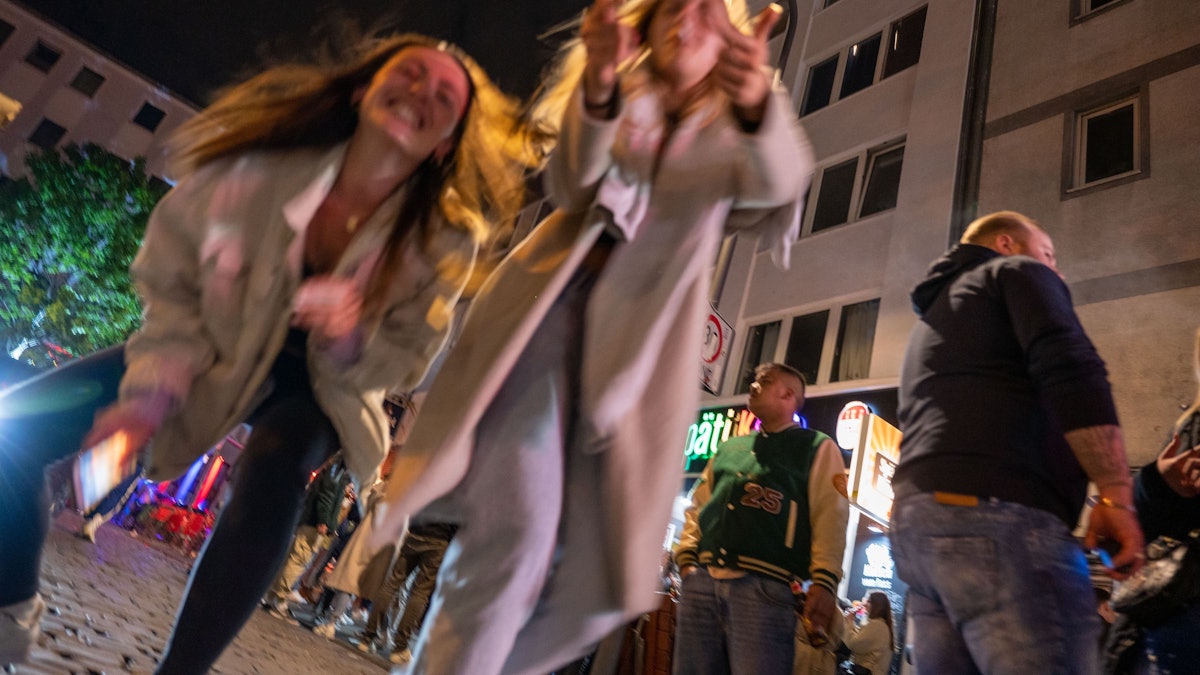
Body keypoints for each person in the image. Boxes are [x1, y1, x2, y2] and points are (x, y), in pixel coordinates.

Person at [0, 32, 535, 672]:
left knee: (277, 464)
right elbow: (175, 280)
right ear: (365, 89)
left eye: (446, 96)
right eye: (410, 72)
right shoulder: (258, 169)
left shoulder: (446, 237)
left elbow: (408, 359)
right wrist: (149, 394)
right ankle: (10, 609)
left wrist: (347, 335)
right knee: (20, 430)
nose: (422, 91)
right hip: (213, 344)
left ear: (448, 141)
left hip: (323, 384)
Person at [363, 0, 815, 672]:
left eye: (706, 8)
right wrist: (601, 79)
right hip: (544, 333)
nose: (685, 18)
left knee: (597, 585)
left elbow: (778, 193)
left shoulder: (740, 118)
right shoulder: (614, 82)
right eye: (672, 5)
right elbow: (573, 180)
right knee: (510, 541)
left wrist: (754, 101)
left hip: (640, 362)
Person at [888, 210, 1145, 674]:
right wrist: (1116, 492)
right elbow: (1071, 366)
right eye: (1048, 254)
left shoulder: (932, 326)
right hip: (1001, 521)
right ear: (1006, 244)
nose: (1056, 270)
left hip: (918, 531)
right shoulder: (1015, 272)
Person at [673, 363, 848, 674]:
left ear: (789, 395)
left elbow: (831, 515)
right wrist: (687, 560)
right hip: (701, 583)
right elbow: (698, 505)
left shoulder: (817, 447)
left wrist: (825, 580)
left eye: (765, 381)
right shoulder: (729, 447)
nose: (753, 385)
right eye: (754, 379)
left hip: (765, 588)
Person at [357, 521, 456, 664]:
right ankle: (399, 648)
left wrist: (414, 526)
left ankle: (367, 638)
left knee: (392, 584)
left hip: (416, 532)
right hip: (440, 539)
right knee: (420, 592)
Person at [263, 459, 350, 616]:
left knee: (293, 559)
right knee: (298, 560)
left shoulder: (335, 470)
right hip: (316, 524)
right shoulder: (336, 471)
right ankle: (279, 598)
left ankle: (272, 595)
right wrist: (324, 521)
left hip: (312, 522)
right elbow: (327, 496)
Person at [840, 592, 894, 675]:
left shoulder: (877, 625)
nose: (864, 605)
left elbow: (854, 644)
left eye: (868, 601)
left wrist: (849, 621)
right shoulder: (880, 624)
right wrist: (850, 621)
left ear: (877, 605)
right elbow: (860, 638)